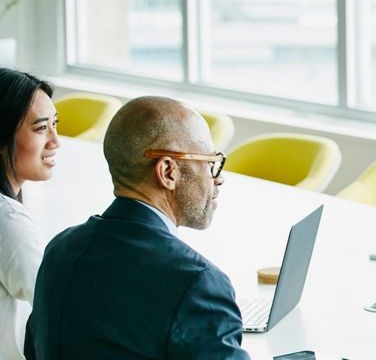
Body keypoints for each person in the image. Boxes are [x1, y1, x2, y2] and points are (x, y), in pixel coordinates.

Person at [24, 96, 249, 359]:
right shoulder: (197, 283)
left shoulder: (61, 249)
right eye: (210, 164)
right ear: (167, 171)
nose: (218, 178)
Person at [0, 68, 58, 360]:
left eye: (55, 125)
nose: (55, 141)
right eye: (40, 128)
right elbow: (61, 306)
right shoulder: (8, 223)